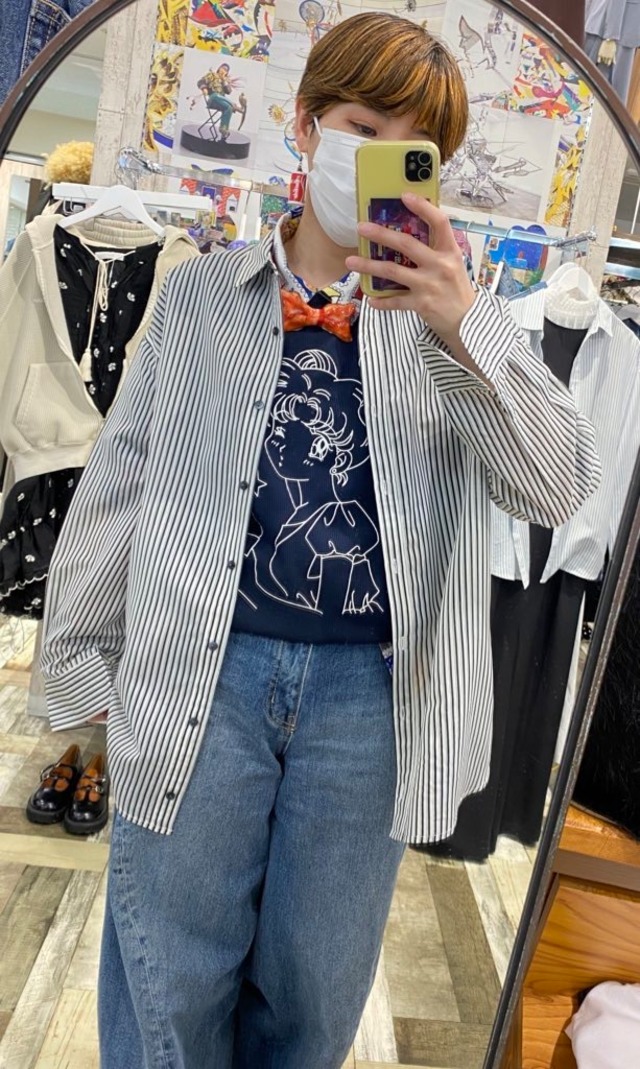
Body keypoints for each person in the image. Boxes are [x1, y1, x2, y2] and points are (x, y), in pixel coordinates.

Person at [41, 13, 600, 1069]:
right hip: (202, 671)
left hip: (371, 699)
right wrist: (82, 671)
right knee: (168, 975)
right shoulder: (200, 296)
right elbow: (122, 481)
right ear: (304, 127)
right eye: (360, 126)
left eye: (412, 145)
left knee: (315, 990)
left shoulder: (458, 323)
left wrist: (461, 323)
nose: (380, 153)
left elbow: (555, 483)